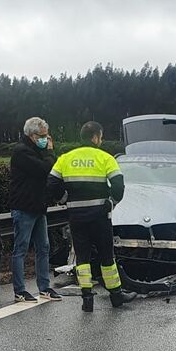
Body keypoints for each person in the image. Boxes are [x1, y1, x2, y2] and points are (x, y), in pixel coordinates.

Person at [48, 121, 134, 312]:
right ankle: (116, 297)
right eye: (100, 137)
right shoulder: (105, 158)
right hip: (100, 216)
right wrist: (111, 202)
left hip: (76, 216)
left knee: (82, 258)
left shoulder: (66, 158)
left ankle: (87, 299)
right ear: (95, 137)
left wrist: (65, 199)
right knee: (106, 257)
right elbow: (119, 185)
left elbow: (52, 182)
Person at [9, 116, 62, 302]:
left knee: (44, 247)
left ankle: (44, 287)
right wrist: (49, 152)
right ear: (31, 135)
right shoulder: (22, 152)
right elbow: (43, 169)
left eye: (47, 136)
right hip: (24, 207)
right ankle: (19, 290)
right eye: (42, 136)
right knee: (21, 248)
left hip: (39, 207)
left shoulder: (35, 150)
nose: (46, 140)